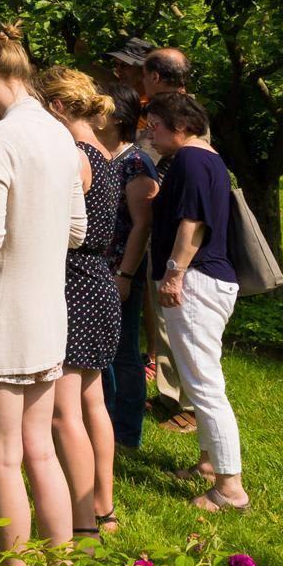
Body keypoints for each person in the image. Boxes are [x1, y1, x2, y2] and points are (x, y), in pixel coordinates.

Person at [0, 28, 87, 556]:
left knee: (2, 456)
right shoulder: (58, 134)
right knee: (40, 451)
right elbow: (76, 230)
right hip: (47, 315)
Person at [147, 91, 249, 513]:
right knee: (197, 377)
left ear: (181, 126)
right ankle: (209, 466)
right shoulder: (208, 158)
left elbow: (194, 223)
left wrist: (174, 272)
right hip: (207, 279)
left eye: (155, 124)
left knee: (205, 384)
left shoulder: (190, 160)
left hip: (197, 280)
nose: (149, 132)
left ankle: (230, 489)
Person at [35, 67, 123, 539]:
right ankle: (102, 506)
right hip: (98, 281)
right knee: (92, 404)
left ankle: (84, 520)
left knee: (62, 411)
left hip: (75, 283)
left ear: (57, 108)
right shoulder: (103, 151)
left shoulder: (73, 155)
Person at [95, 84, 159, 449]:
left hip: (120, 270)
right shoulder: (96, 154)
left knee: (123, 352)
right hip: (95, 267)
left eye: (98, 108)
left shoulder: (136, 162)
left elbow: (142, 224)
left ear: (118, 117)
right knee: (101, 351)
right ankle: (103, 422)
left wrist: (125, 274)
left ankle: (126, 433)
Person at [139, 46, 199, 430]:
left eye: (145, 75)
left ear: (157, 78)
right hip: (162, 236)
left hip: (182, 242)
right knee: (162, 322)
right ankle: (168, 395)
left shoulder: (180, 118)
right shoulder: (173, 112)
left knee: (180, 324)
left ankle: (189, 407)